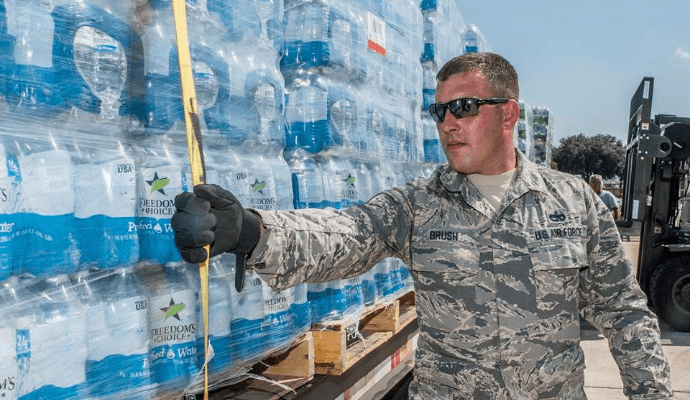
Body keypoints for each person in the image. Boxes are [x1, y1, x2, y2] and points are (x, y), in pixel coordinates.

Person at [172, 53, 673, 399]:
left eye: (464, 107)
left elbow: (623, 312)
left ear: (508, 114)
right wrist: (253, 232)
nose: (447, 123)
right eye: (439, 111)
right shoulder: (418, 205)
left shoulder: (574, 201)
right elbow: (345, 233)